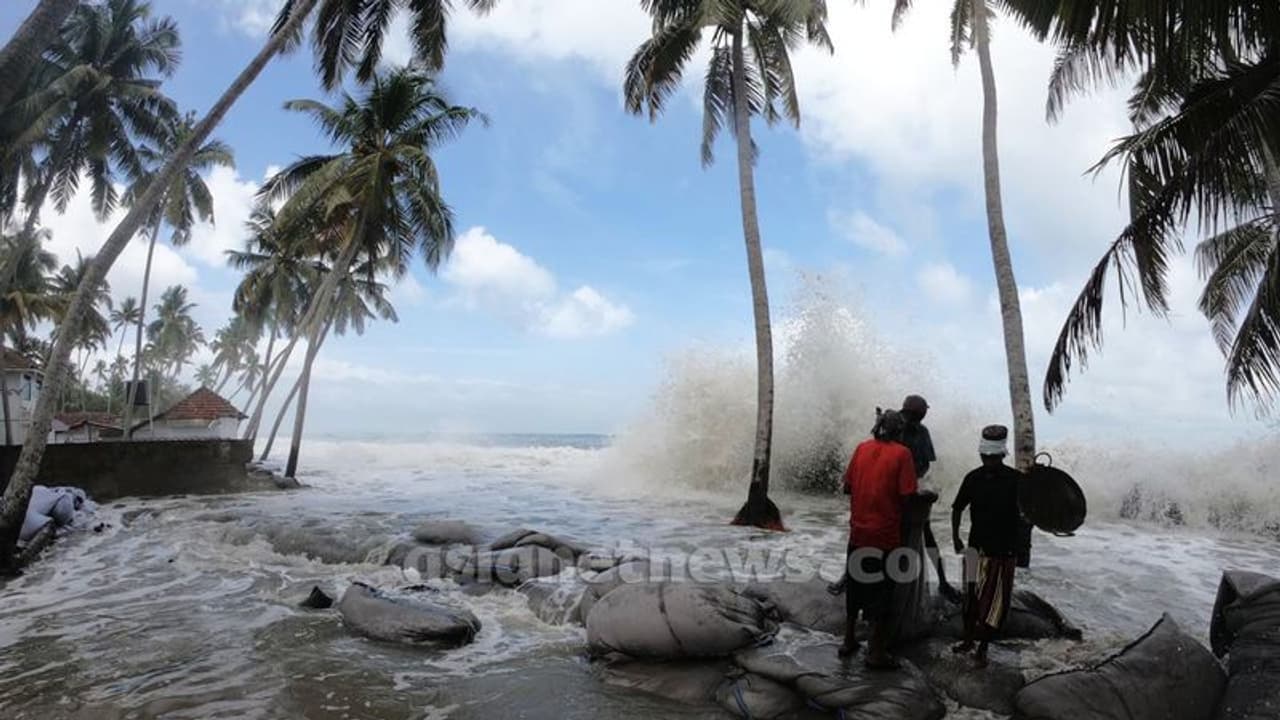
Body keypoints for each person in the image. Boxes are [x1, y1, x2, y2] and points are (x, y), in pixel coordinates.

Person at [838, 409, 918, 669]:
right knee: (882, 594)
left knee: (856, 587)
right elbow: (907, 495)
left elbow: (847, 486)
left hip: (858, 532)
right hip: (884, 535)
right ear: (899, 431)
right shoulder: (903, 454)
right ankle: (875, 651)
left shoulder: (861, 448)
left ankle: (849, 640)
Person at [950, 424, 1030, 668]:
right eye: (986, 457)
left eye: (993, 458)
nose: (989, 461)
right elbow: (957, 508)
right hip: (976, 547)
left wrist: (1023, 547)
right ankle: (967, 640)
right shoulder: (973, 478)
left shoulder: (1017, 481)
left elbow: (1027, 516)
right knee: (970, 598)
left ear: (1001, 456)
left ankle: (982, 648)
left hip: (1004, 550)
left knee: (995, 604)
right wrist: (955, 537)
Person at [899, 394, 960, 603]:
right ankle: (850, 576)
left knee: (926, 533)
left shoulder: (920, 431)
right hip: (892, 490)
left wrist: (913, 478)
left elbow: (925, 464)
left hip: (910, 488)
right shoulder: (891, 427)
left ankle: (943, 583)